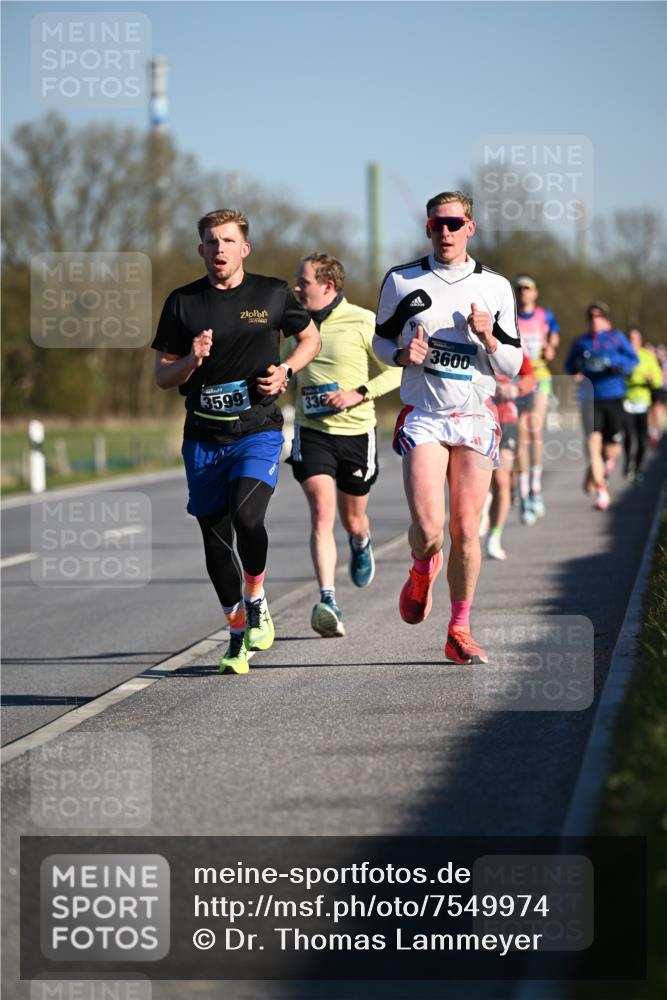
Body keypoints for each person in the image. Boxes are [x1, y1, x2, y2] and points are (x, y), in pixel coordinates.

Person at [152, 209, 320, 674]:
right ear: (200, 249)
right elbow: (163, 376)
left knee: (248, 517)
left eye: (228, 240)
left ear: (243, 248)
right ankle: (236, 630)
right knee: (214, 539)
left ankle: (257, 596)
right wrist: (191, 358)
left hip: (257, 430)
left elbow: (311, 338)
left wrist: (287, 370)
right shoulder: (183, 303)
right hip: (204, 437)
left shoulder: (271, 293)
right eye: (211, 241)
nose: (220, 248)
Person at [373, 190, 522, 664]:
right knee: (431, 528)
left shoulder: (495, 287)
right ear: (427, 228)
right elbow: (378, 342)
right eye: (437, 224)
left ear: (470, 228)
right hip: (426, 417)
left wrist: (489, 337)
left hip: (476, 416)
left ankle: (459, 628)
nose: (445, 232)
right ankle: (422, 568)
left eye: (454, 224)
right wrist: (401, 355)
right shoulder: (401, 280)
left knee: (466, 528)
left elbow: (514, 364)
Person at [286, 254, 402, 637]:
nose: (297, 289)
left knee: (352, 518)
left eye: (304, 282)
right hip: (312, 430)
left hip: (355, 433)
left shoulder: (363, 320)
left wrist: (359, 393)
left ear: (328, 286)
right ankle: (328, 599)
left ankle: (360, 540)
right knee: (322, 510)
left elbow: (397, 370)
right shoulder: (292, 324)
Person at [564, 302, 638, 510]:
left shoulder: (616, 337)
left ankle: (603, 467)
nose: (595, 319)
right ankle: (601, 490)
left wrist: (622, 367)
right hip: (590, 398)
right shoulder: (581, 342)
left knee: (612, 449)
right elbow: (569, 364)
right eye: (591, 316)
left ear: (606, 318)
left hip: (614, 396)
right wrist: (575, 370)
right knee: (592, 443)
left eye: (599, 316)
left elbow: (634, 358)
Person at [514, 275, 560, 523]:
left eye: (527, 288)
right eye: (519, 288)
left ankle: (536, 488)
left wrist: (551, 346)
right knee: (521, 436)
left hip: (540, 376)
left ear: (535, 293)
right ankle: (524, 495)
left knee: (535, 432)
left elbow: (554, 335)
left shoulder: (545, 315)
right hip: (519, 379)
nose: (523, 292)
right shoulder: (510, 315)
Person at [485, 354, 537, 560]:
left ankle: (494, 537)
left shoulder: (509, 343)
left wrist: (516, 389)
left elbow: (530, 377)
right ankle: (481, 516)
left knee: (502, 481)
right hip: (475, 420)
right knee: (482, 481)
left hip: (506, 419)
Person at [622, 326, 663, 481]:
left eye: (635, 339)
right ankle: (627, 462)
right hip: (626, 400)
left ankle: (638, 468)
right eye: (630, 339)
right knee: (628, 436)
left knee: (642, 440)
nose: (633, 342)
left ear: (640, 340)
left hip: (643, 402)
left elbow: (659, 379)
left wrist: (652, 379)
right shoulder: (623, 355)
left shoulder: (647, 356)